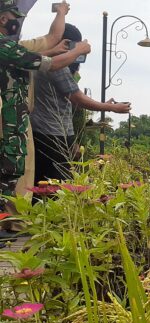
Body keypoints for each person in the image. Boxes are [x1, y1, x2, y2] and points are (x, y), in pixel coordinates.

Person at [0, 0, 90, 239]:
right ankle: (6, 225)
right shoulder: (5, 47)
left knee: (20, 172)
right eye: (13, 17)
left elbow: (49, 41)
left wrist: (60, 14)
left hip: (18, 120)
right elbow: (51, 62)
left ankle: (11, 223)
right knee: (9, 172)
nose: (16, 22)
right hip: (7, 121)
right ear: (3, 19)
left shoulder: (12, 48)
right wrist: (76, 51)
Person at [31, 23, 130, 183]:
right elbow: (77, 98)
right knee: (56, 184)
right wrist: (111, 107)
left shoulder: (41, 60)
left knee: (41, 182)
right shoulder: (56, 66)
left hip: (40, 130)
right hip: (54, 133)